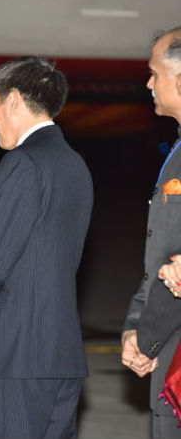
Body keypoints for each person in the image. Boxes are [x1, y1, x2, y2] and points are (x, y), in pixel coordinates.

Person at [0, 56, 93, 439]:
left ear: (12, 100)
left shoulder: (23, 162)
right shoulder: (74, 164)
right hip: (61, 354)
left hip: (18, 355)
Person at [122, 26, 181, 439]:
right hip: (168, 353)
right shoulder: (175, 154)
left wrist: (148, 340)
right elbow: (161, 255)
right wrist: (136, 331)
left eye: (153, 73)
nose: (148, 83)